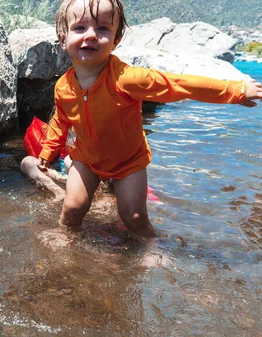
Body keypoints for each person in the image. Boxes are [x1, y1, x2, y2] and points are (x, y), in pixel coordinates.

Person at [28, 0, 262, 238]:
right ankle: (66, 246)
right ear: (62, 38)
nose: (91, 35)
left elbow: (181, 85)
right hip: (87, 159)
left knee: (134, 218)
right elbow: (61, 120)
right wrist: (48, 152)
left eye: (102, 29)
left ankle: (151, 247)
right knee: (72, 210)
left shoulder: (127, 79)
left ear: (116, 39)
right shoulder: (63, 86)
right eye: (80, 28)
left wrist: (236, 91)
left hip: (127, 162)